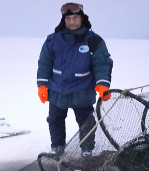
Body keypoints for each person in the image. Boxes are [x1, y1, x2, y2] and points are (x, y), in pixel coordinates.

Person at [37, 2, 113, 157]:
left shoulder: (94, 40)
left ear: (82, 19)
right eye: (68, 18)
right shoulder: (52, 40)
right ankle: (57, 148)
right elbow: (44, 63)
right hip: (58, 90)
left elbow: (102, 63)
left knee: (87, 123)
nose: (71, 22)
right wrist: (42, 86)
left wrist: (102, 85)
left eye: (75, 18)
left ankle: (86, 151)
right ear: (63, 20)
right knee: (55, 120)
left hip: (82, 90)